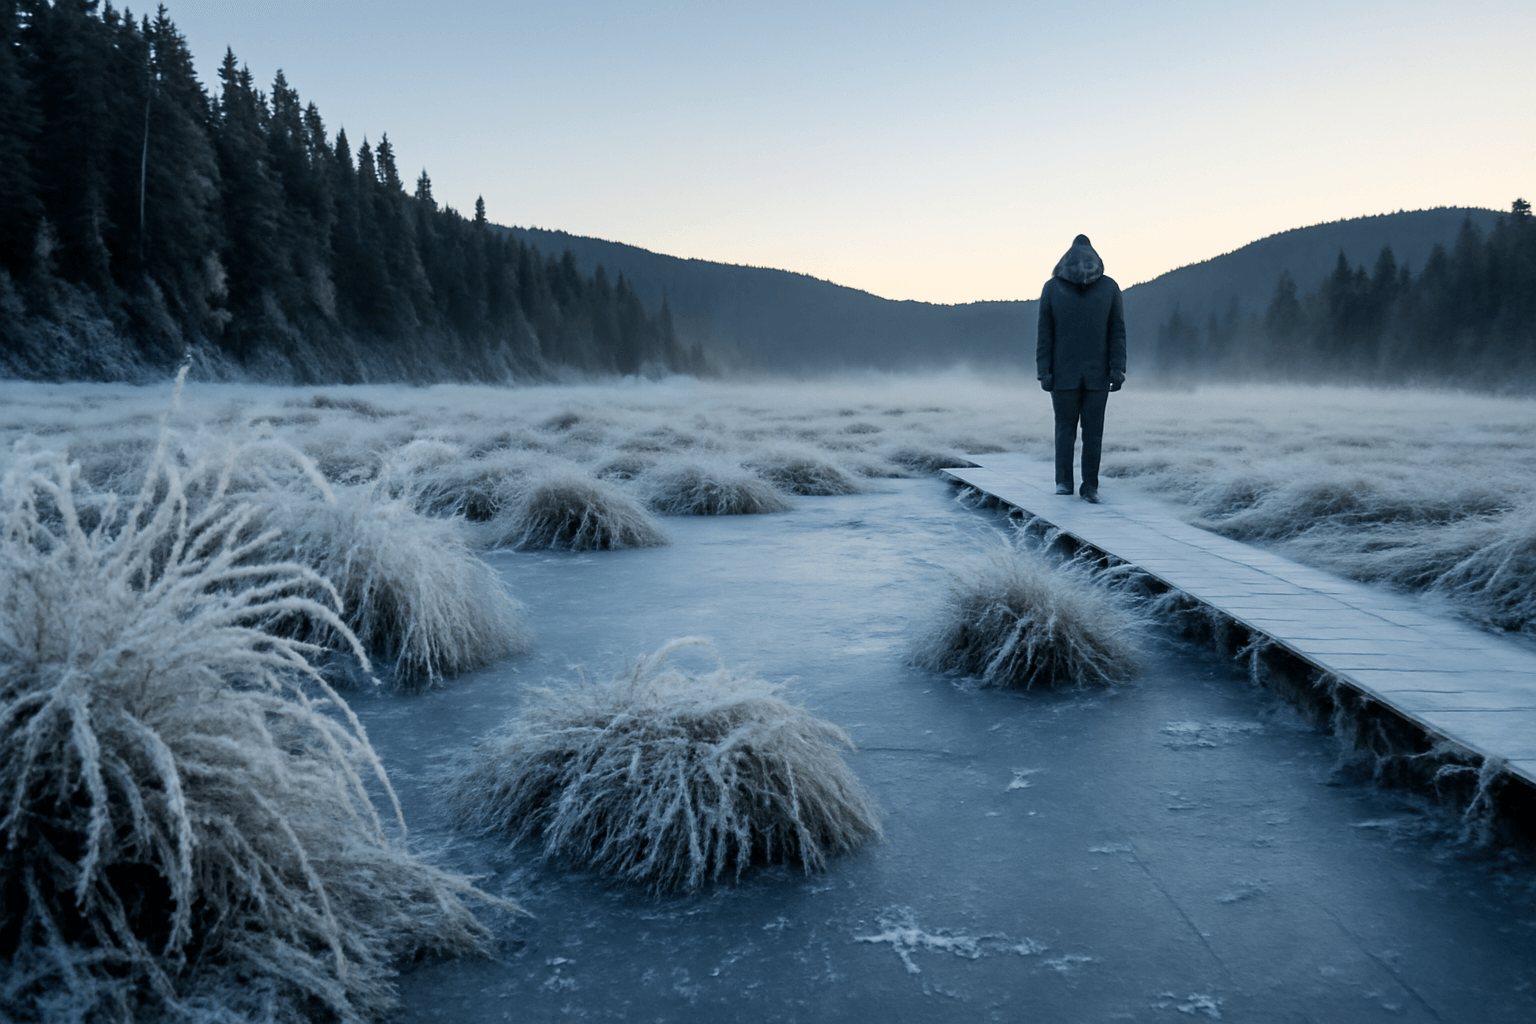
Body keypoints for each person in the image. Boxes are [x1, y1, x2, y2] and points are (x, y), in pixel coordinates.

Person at [1035, 234, 1126, 504]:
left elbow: (1045, 334)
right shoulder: (1109, 287)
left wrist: (1044, 371)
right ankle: (1090, 487)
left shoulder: (1052, 287)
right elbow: (1117, 333)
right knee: (1093, 433)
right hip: (1098, 374)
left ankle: (1064, 483)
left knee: (1064, 429)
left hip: (1062, 373)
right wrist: (1118, 369)